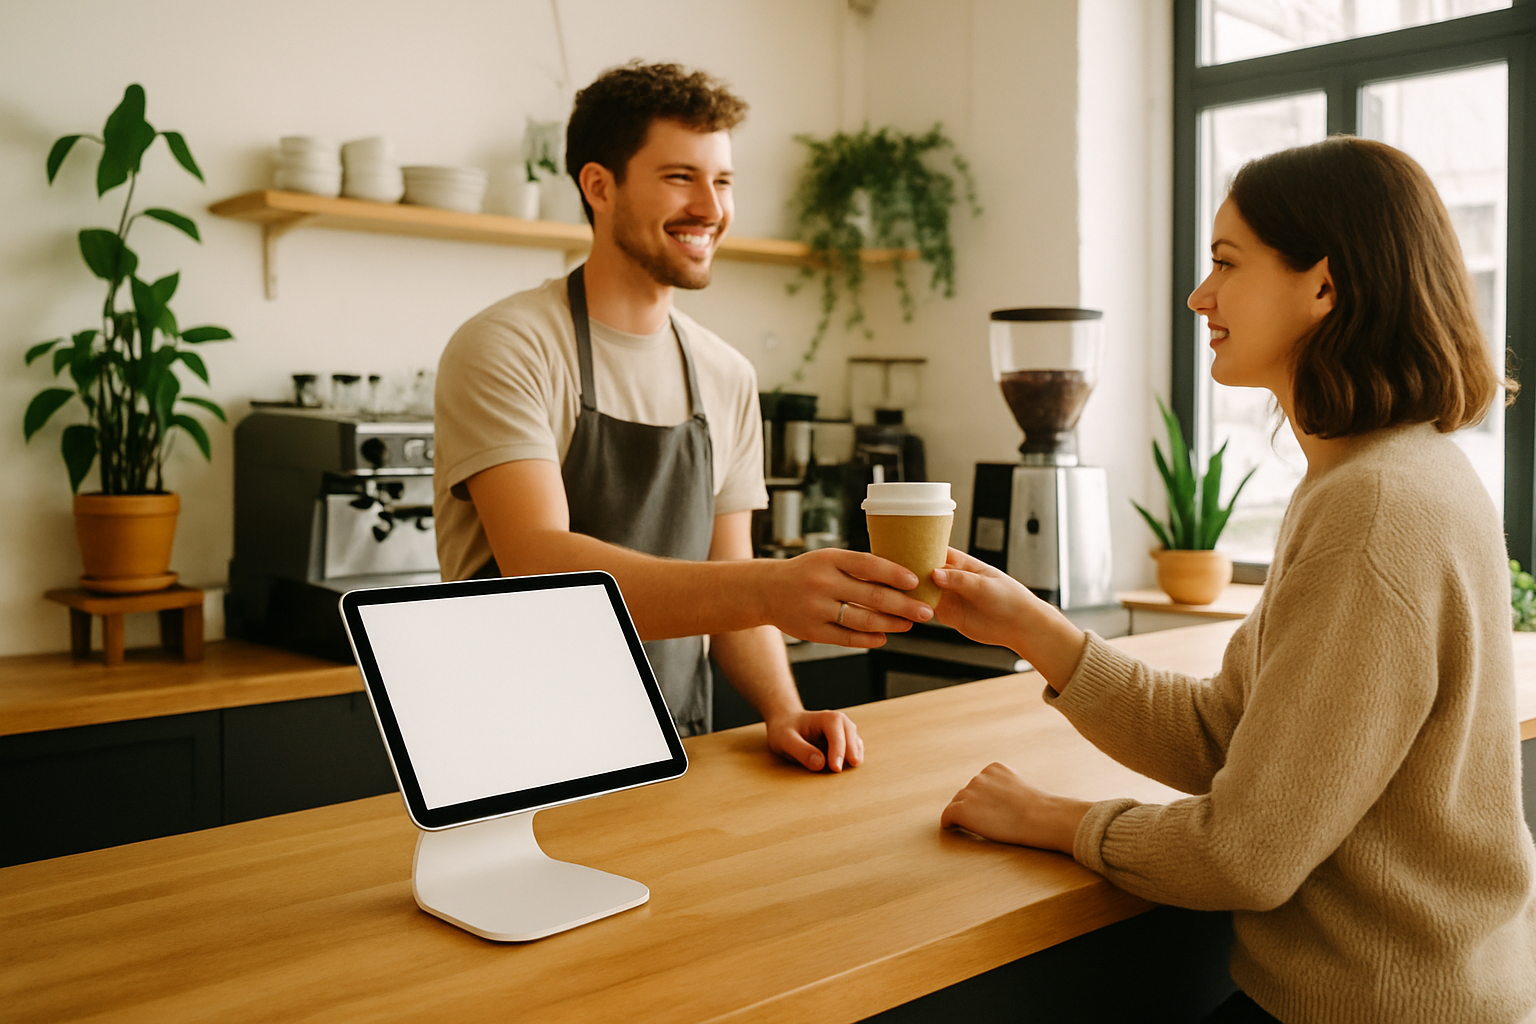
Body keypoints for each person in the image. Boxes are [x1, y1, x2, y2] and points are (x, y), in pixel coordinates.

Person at [932, 136, 1536, 1023]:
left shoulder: (1373, 510)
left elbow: (1244, 855)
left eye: (1225, 263)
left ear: (1324, 286)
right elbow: (1232, 738)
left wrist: (1053, 818)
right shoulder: (1382, 474)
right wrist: (1031, 627)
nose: (1198, 295)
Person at [432, 61, 931, 769]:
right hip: (512, 754)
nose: (710, 207)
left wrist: (783, 709)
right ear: (599, 186)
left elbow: (727, 573)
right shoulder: (509, 345)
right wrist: (770, 587)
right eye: (679, 177)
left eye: (722, 181)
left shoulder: (725, 375)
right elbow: (538, 563)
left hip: (669, 746)